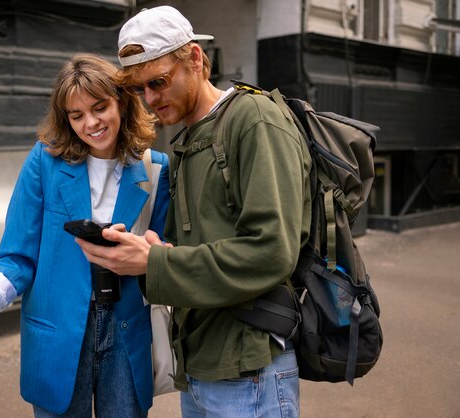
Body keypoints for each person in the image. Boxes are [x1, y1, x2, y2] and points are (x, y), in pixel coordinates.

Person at [76, 6, 311, 418]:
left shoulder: (254, 120)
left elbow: (272, 251)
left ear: (196, 60)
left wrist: (156, 262)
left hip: (250, 370)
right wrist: (149, 250)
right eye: (138, 89)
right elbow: (195, 248)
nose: (149, 99)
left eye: (158, 82)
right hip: (200, 368)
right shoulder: (187, 141)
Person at [0, 53, 170, 418]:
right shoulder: (44, 162)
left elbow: (164, 258)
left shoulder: (156, 169)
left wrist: (150, 254)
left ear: (122, 102)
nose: (91, 123)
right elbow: (17, 259)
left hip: (127, 332)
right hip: (57, 334)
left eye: (100, 108)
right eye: (76, 115)